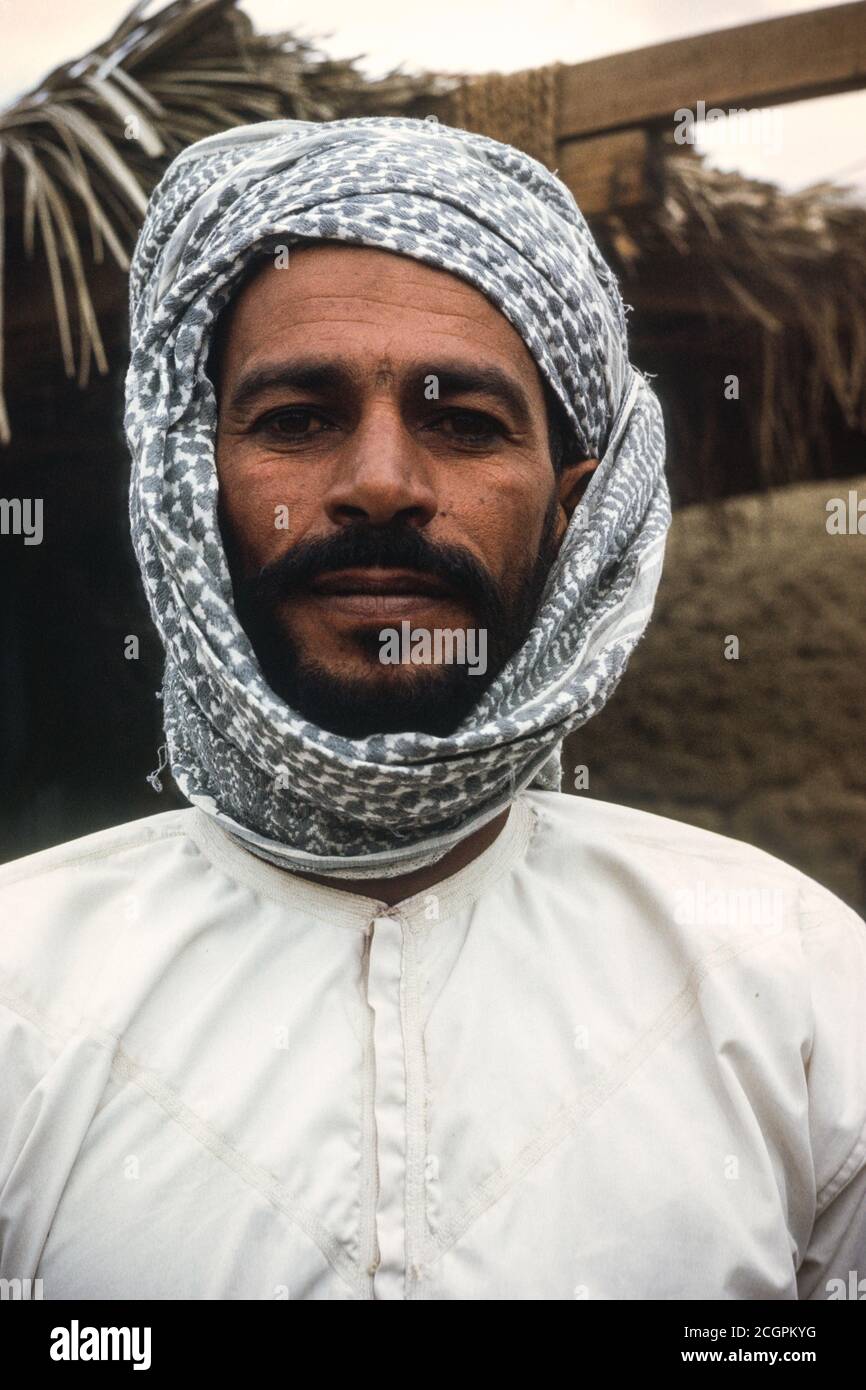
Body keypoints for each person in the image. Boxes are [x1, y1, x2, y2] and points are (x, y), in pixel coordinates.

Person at [0, 116, 863, 1302]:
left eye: (460, 421)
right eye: (297, 417)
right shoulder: (20, 987)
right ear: (191, 485)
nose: (379, 485)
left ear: (574, 510)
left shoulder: (797, 984)